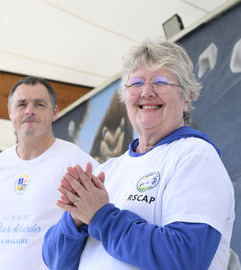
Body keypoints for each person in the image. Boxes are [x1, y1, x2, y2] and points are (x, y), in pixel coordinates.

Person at [42, 40, 235, 270]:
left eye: (161, 82)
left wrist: (101, 216)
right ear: (125, 97)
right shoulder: (107, 170)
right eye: (136, 83)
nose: (146, 92)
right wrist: (75, 220)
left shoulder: (195, 157)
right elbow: (55, 262)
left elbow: (185, 258)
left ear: (187, 98)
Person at [0, 76, 98, 270]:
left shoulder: (78, 162)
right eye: (21, 104)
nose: (29, 110)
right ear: (10, 113)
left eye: (39, 104)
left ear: (54, 112)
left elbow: (101, 222)